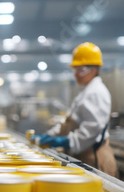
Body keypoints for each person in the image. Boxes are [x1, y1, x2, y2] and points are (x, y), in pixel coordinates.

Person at [36, 42, 117, 177]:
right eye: (75, 70)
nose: (76, 75)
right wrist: (50, 135)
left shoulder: (96, 92)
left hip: (95, 159)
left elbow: (91, 130)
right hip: (84, 157)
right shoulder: (86, 92)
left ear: (95, 69)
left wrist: (67, 141)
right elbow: (70, 121)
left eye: (81, 70)